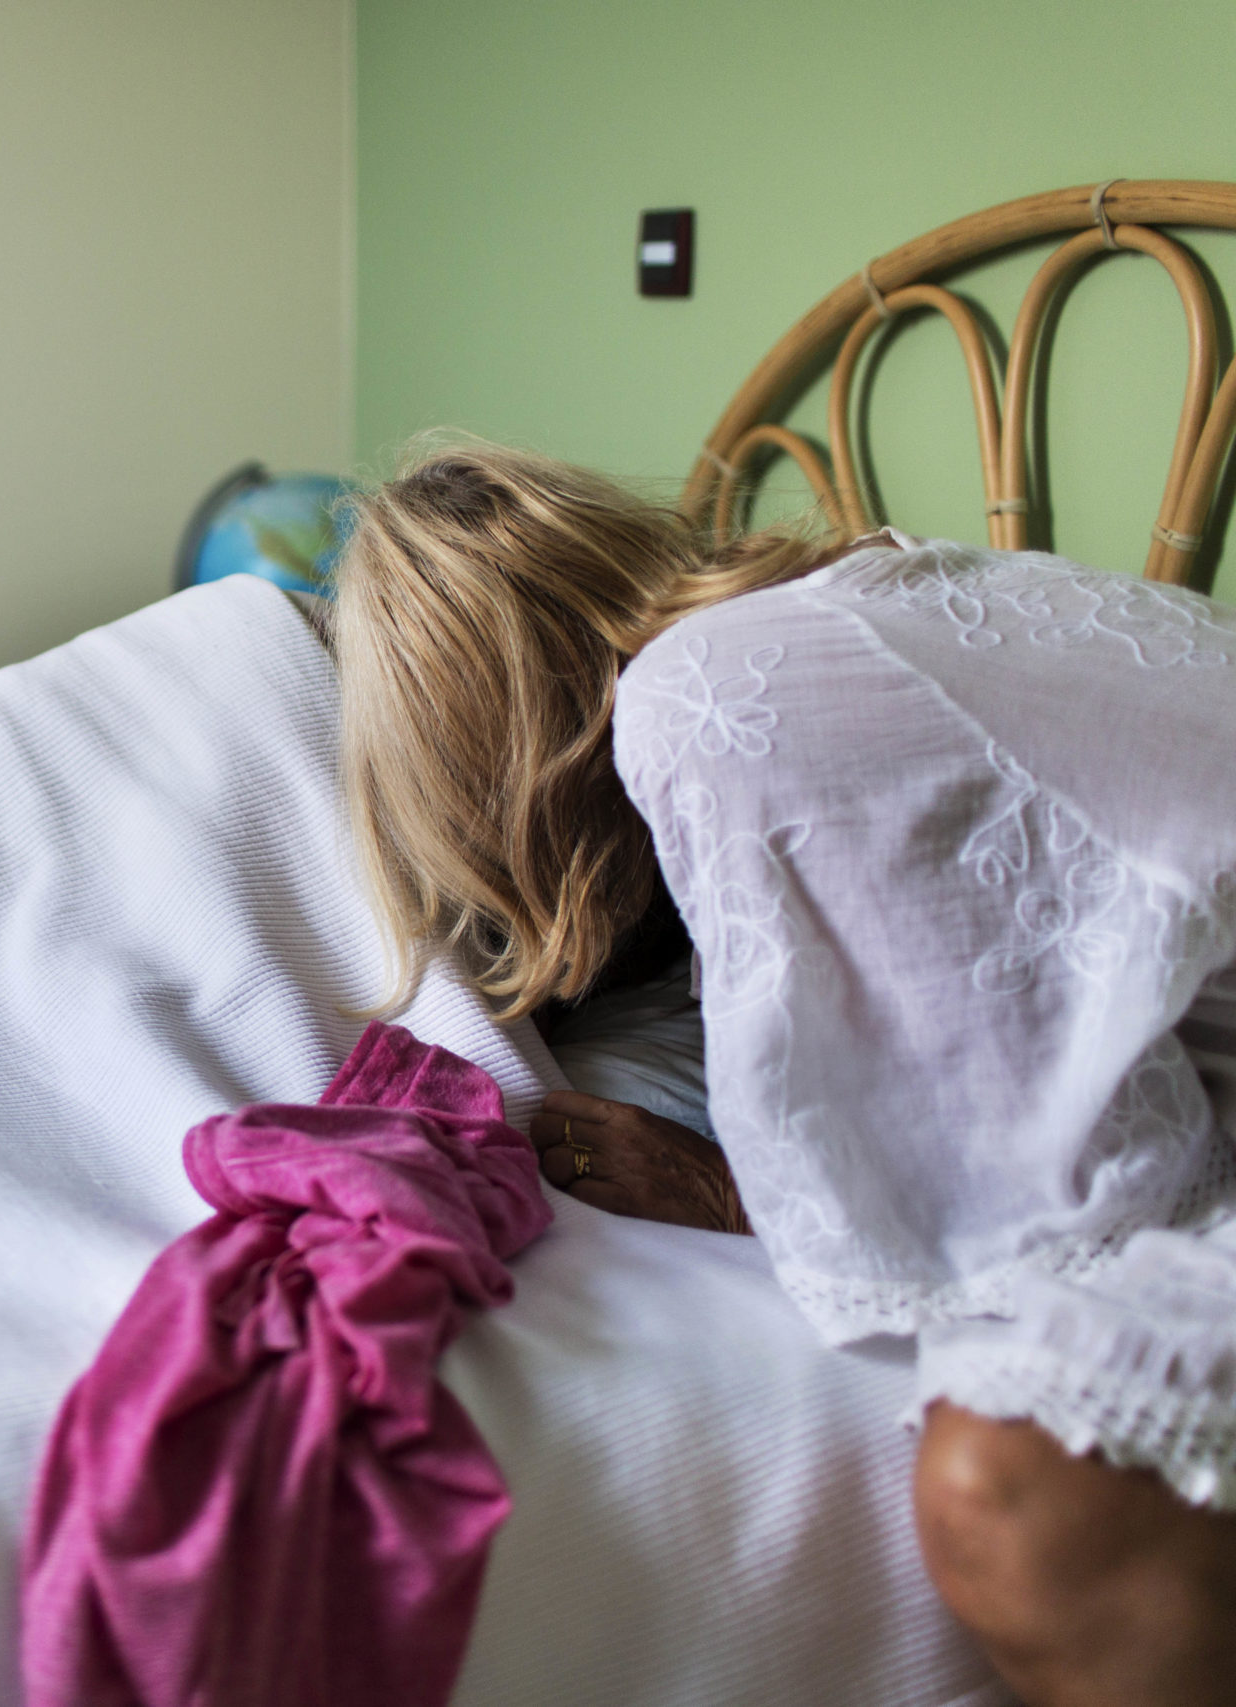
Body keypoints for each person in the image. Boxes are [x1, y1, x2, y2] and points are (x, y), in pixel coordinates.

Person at [329, 440, 1236, 1707]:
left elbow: (1076, 1201)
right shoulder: (841, 611)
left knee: (1012, 1492)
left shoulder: (708, 699)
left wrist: (718, 1190)